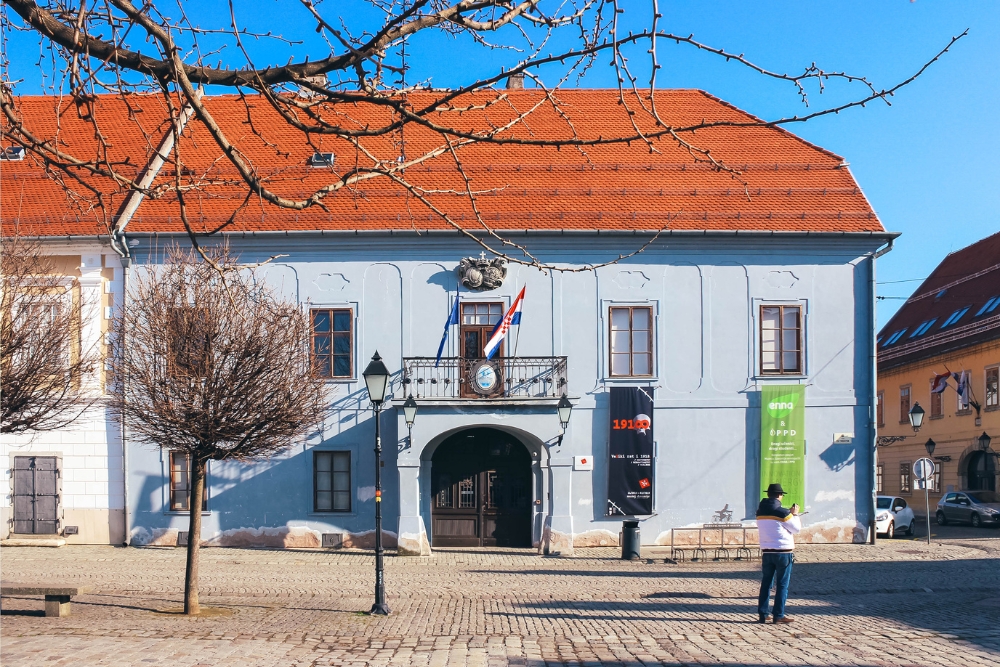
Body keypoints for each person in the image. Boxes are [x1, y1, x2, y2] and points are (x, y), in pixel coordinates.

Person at [756, 483, 801, 624]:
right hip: (783, 552)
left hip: (767, 551)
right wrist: (794, 514)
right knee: (782, 585)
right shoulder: (783, 512)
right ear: (780, 495)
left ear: (768, 495)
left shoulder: (760, 512)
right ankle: (779, 614)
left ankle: (763, 614)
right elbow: (796, 529)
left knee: (766, 583)